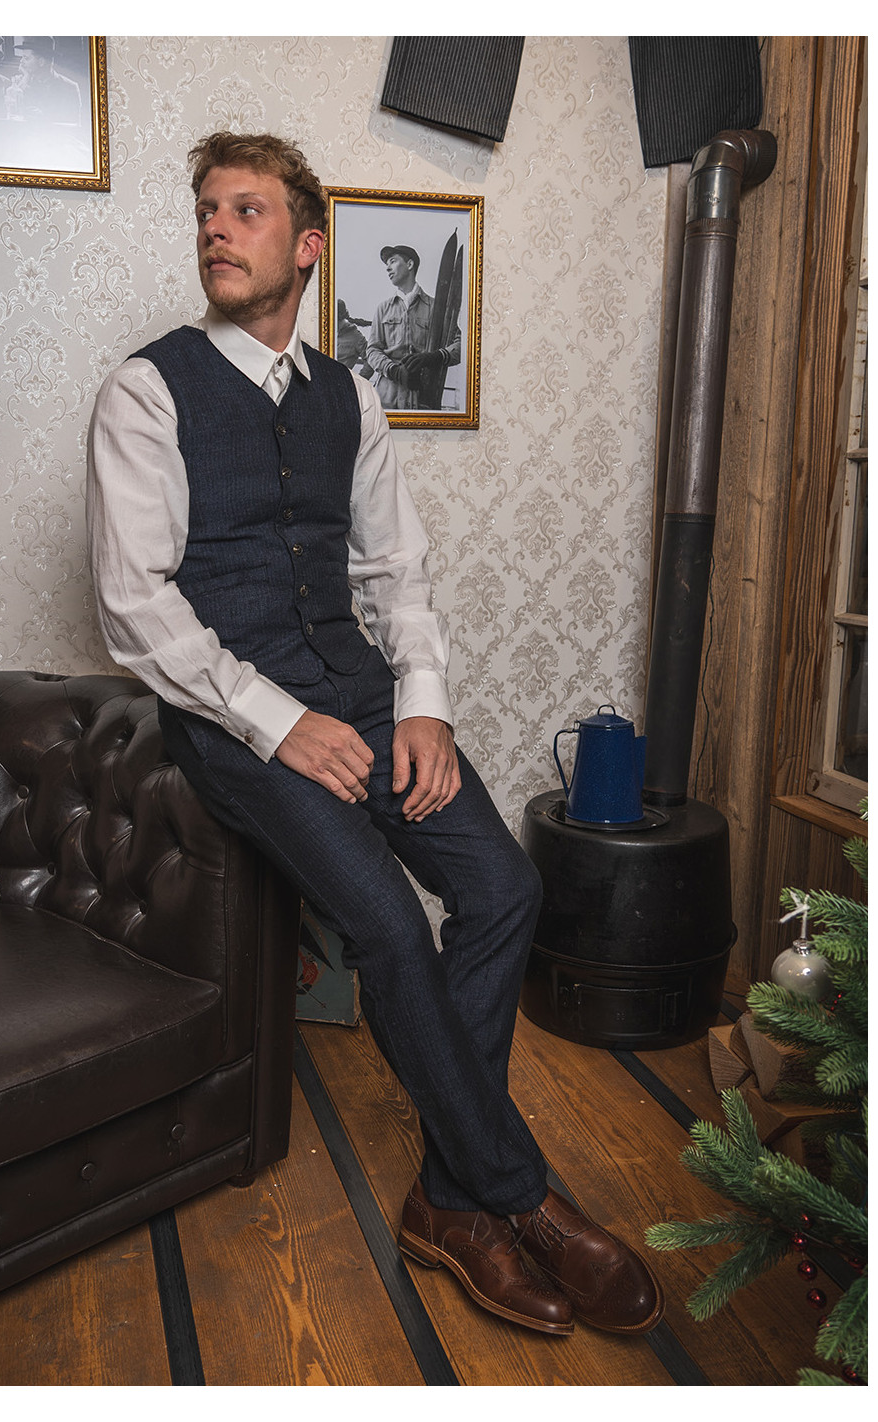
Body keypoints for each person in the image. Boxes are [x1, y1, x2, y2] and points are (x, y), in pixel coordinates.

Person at [86, 131, 664, 1338]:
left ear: (306, 246)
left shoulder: (347, 396)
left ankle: (447, 1200)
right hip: (232, 717)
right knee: (392, 929)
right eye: (205, 209)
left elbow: (396, 568)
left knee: (501, 889)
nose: (213, 227)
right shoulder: (147, 391)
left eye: (244, 209)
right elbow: (135, 607)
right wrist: (279, 723)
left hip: (354, 691)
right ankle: (519, 1195)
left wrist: (422, 704)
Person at [365, 244, 460, 411]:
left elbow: (462, 347)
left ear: (409, 264)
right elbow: (372, 351)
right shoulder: (383, 308)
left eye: (393, 261)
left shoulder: (436, 308)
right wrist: (394, 371)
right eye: (387, 264)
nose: (388, 268)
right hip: (387, 399)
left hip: (424, 398)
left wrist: (436, 357)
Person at [4, 37, 82, 126]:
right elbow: (11, 116)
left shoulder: (69, 87)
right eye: (22, 57)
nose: (21, 62)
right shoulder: (19, 82)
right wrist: (25, 79)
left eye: (26, 58)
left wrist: (45, 119)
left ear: (41, 62)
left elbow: (73, 126)